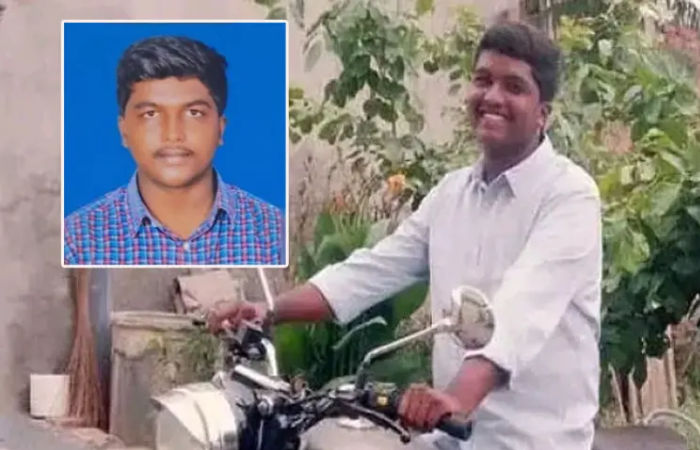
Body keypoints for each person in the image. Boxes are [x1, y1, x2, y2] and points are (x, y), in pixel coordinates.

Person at [210, 21, 602, 450]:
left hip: (534, 442)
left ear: (543, 112)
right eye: (483, 80)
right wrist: (267, 312)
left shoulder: (569, 196)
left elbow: (522, 311)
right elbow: (372, 270)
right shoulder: (451, 193)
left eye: (514, 87)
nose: (492, 96)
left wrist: (457, 397)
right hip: (451, 439)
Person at [64, 36, 284, 265]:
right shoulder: (75, 243)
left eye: (194, 113)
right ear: (124, 131)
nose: (172, 134)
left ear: (220, 129)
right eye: (150, 114)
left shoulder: (277, 235)